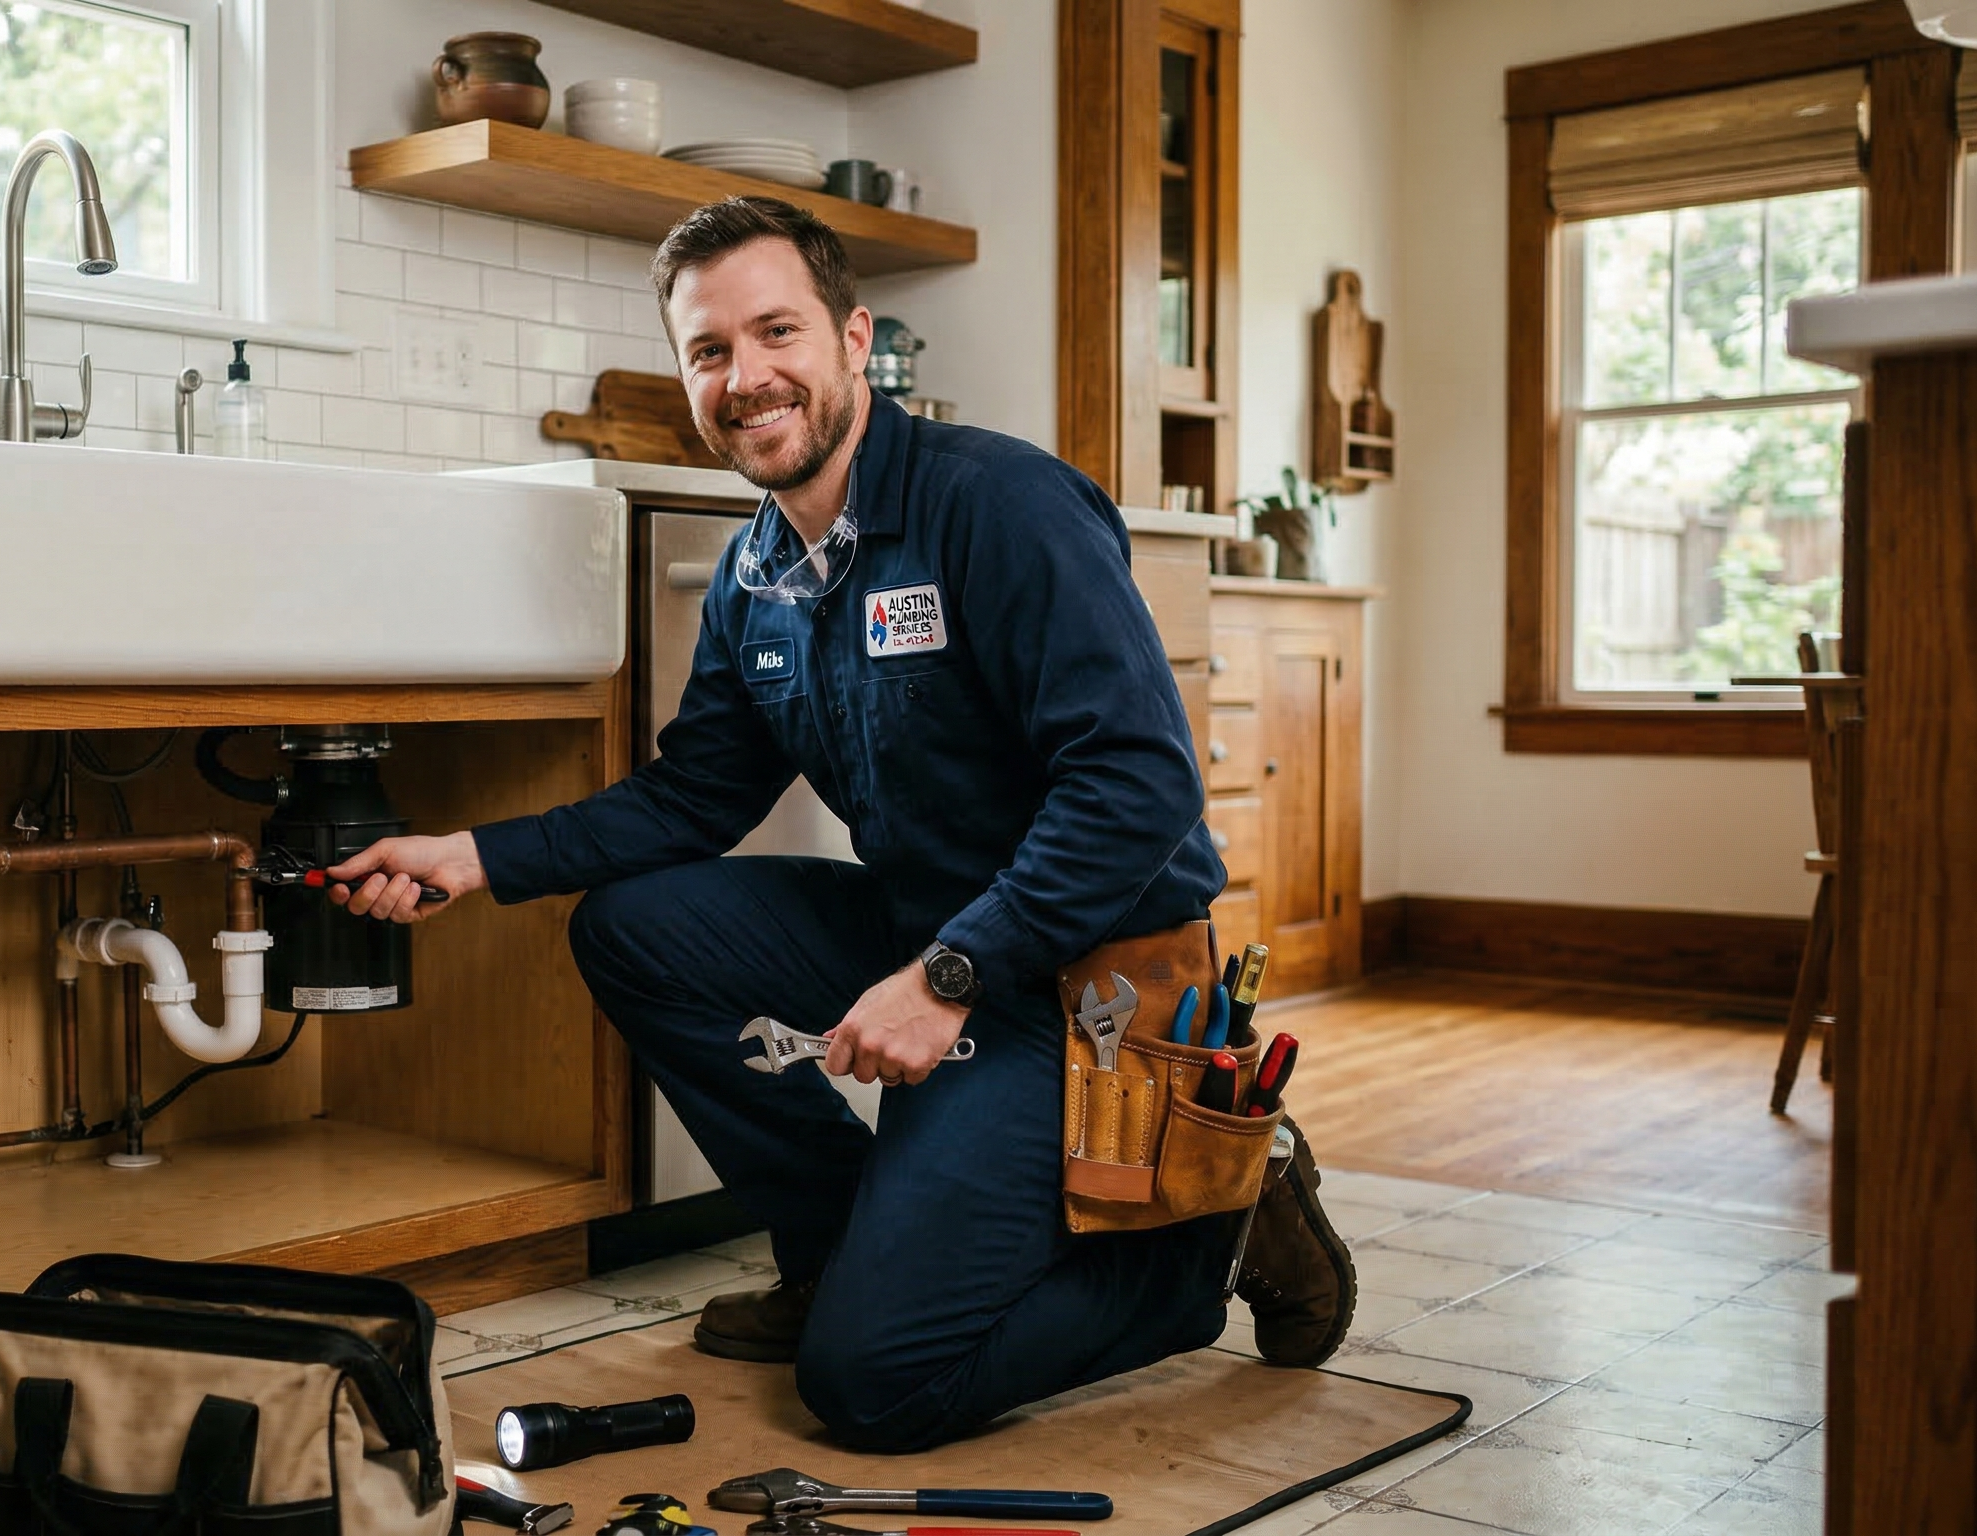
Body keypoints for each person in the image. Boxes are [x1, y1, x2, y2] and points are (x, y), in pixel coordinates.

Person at [325, 195, 1355, 1452]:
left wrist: (947, 977)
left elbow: (1139, 784)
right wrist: (475, 857)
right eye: (709, 351)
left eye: (776, 334)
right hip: (927, 930)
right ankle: (839, 1251)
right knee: (638, 929)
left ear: (854, 340)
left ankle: (1208, 1241)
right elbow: (695, 796)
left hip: (1091, 979)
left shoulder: (1001, 507)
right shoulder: (759, 571)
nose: (745, 378)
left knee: (871, 1388)